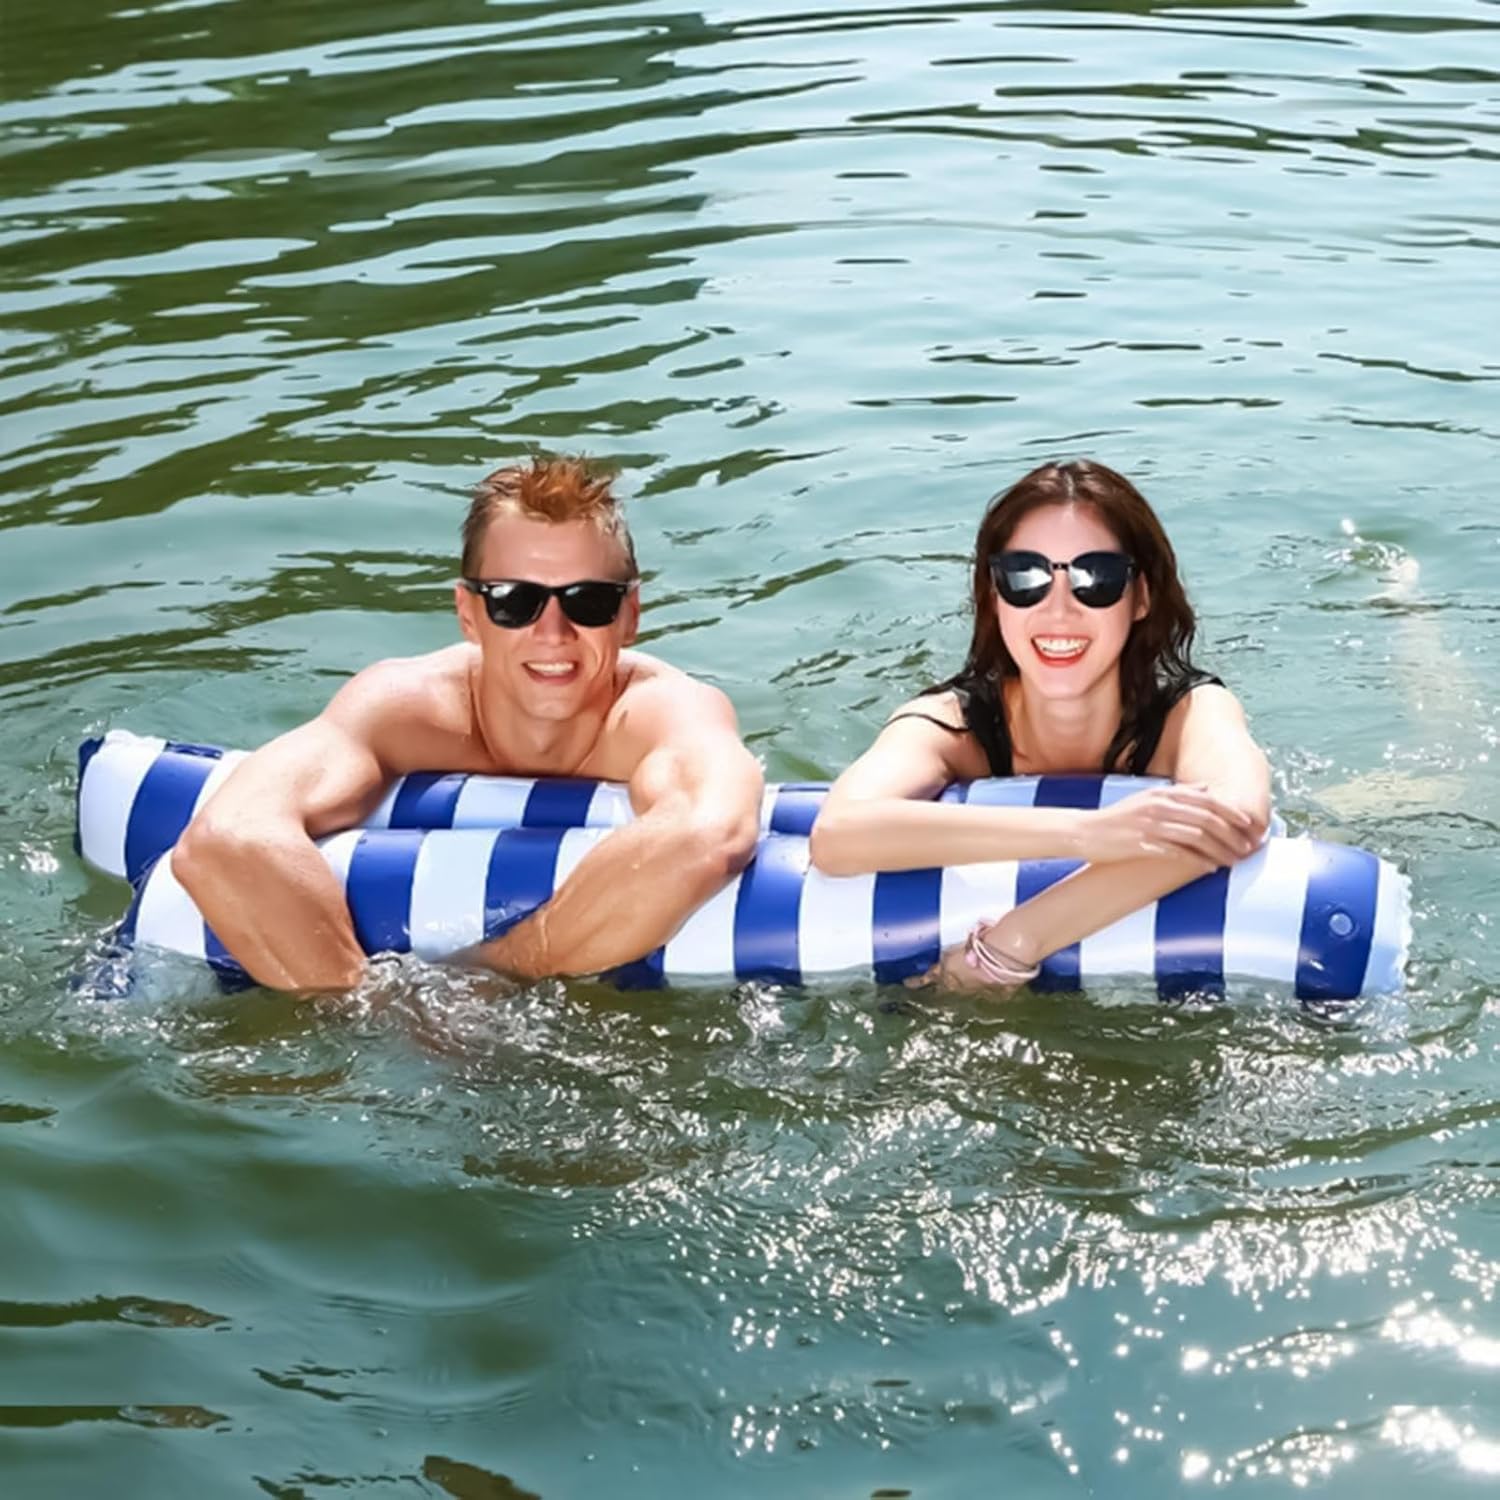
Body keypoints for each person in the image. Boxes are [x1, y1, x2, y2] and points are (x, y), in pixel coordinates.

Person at [173, 455, 764, 992]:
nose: (553, 633)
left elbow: (707, 834)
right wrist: (373, 1010)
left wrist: (496, 973)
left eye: (588, 601)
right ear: (468, 614)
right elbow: (228, 838)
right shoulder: (406, 708)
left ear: (630, 615)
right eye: (514, 600)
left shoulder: (664, 713)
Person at [809, 458, 1271, 990]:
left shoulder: (1187, 714)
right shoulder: (951, 724)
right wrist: (1090, 835)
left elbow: (1239, 817)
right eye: (1024, 576)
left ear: (1142, 597)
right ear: (992, 596)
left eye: (1096, 577)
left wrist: (1015, 942)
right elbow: (838, 835)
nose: (1058, 612)